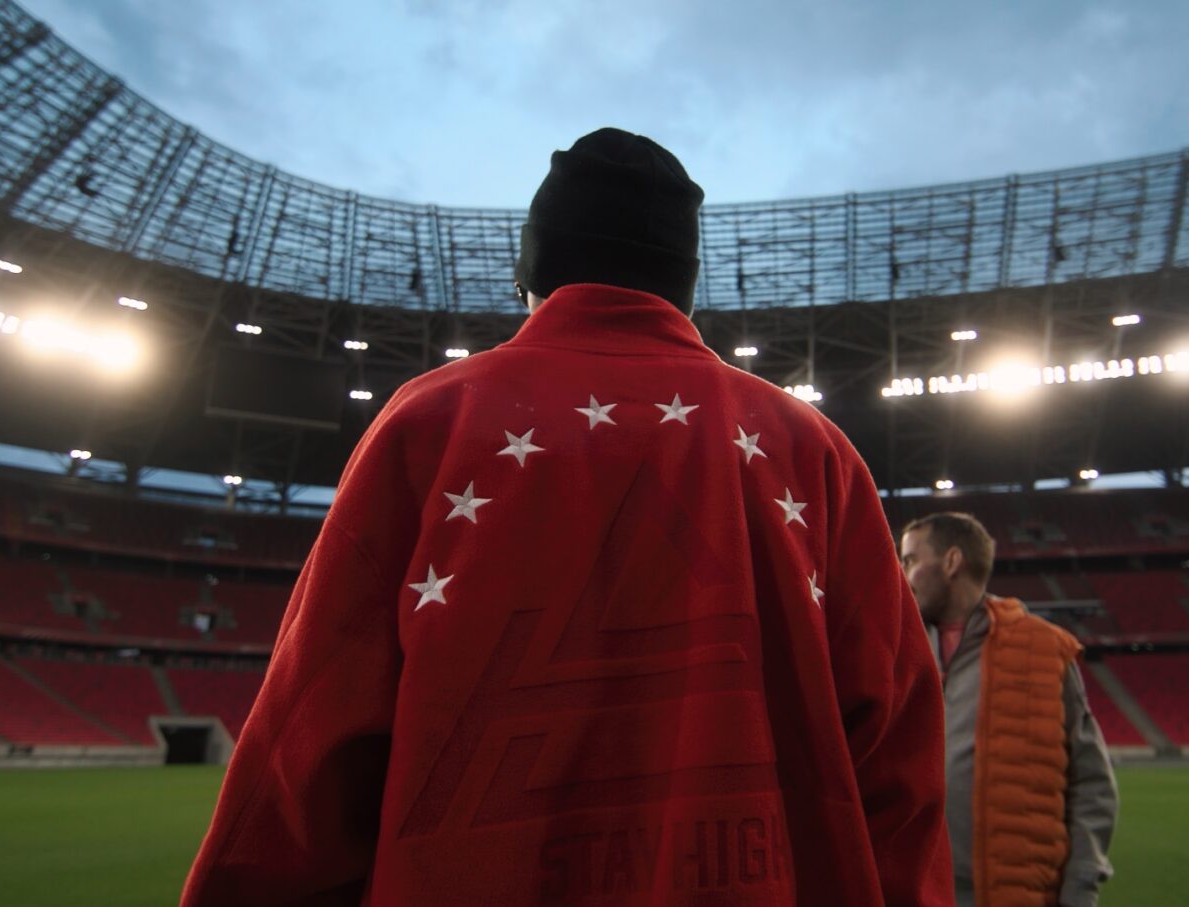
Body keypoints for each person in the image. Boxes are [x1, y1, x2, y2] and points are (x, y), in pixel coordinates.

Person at [182, 128, 952, 906]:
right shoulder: (815, 452)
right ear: (683, 289)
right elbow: (900, 765)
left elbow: (307, 744)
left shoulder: (431, 422)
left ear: (533, 278)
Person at [898, 512, 1117, 907]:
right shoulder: (896, 651)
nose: (902, 575)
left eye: (911, 560)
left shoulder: (1043, 650)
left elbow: (1091, 783)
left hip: (1017, 894)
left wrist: (1081, 888)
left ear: (951, 562)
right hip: (916, 892)